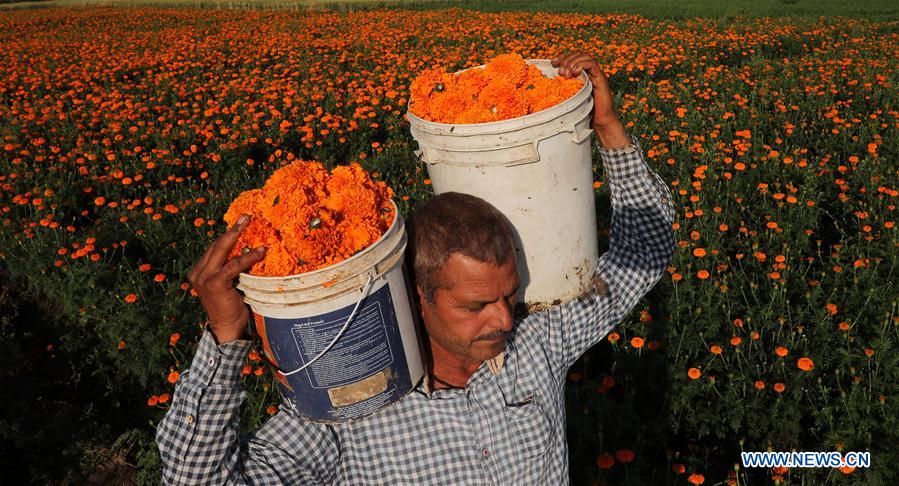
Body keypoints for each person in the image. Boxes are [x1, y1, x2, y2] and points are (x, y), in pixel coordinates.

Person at [156, 52, 675, 484]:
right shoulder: (354, 408)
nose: (503, 320)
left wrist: (605, 125)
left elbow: (645, 255)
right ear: (416, 291)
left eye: (509, 296)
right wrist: (226, 339)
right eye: (474, 305)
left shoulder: (536, 342)